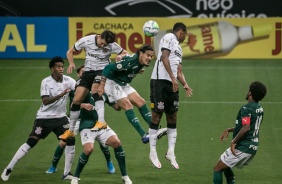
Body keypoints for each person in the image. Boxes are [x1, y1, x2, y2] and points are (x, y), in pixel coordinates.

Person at [1, 56, 77, 181]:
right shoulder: (46, 82)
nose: (61, 68)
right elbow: (45, 101)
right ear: (52, 69)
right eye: (58, 66)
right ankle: (9, 168)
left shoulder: (69, 80)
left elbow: (79, 87)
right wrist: (61, 95)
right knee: (31, 142)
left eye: (62, 66)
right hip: (44, 118)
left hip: (61, 118)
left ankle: (67, 173)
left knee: (70, 140)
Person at [46, 65, 117, 176]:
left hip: (92, 120)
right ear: (79, 75)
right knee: (64, 142)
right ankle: (53, 166)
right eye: (83, 73)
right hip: (76, 119)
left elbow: (108, 101)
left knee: (104, 143)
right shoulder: (77, 88)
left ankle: (109, 162)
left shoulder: (97, 87)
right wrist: (83, 106)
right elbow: (72, 106)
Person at [59, 30, 128, 140]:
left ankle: (101, 121)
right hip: (88, 72)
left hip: (102, 71)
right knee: (76, 100)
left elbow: (125, 52)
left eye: (105, 45)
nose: (102, 46)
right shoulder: (86, 40)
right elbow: (70, 52)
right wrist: (71, 63)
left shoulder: (111, 45)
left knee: (95, 90)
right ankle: (71, 131)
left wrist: (120, 57)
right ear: (99, 36)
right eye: (102, 43)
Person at [97, 44, 167, 144]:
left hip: (123, 83)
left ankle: (154, 129)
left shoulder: (141, 61)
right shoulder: (129, 62)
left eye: (151, 56)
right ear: (141, 53)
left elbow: (126, 54)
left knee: (141, 102)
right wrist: (101, 85)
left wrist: (124, 58)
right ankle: (144, 135)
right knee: (127, 105)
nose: (150, 58)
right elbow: (108, 68)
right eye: (147, 55)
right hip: (112, 82)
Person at [149, 22, 193, 170]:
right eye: (184, 35)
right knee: (157, 115)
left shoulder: (179, 48)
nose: (184, 39)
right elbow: (164, 57)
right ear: (181, 32)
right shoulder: (169, 37)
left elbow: (179, 70)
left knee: (172, 116)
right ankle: (152, 152)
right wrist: (173, 78)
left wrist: (185, 84)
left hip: (172, 84)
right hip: (160, 81)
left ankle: (170, 152)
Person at [71, 93, 132, 184]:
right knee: (89, 149)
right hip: (87, 126)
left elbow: (117, 108)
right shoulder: (84, 91)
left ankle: (125, 176)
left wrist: (121, 99)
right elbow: (73, 105)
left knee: (116, 142)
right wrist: (84, 105)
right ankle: (75, 178)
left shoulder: (103, 93)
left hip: (101, 126)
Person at [213, 81, 267, 184]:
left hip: (243, 146)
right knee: (224, 166)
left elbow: (246, 127)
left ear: (250, 93)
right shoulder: (259, 108)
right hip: (252, 146)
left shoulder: (246, 108)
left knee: (217, 168)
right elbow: (249, 126)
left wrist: (233, 141)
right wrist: (230, 129)